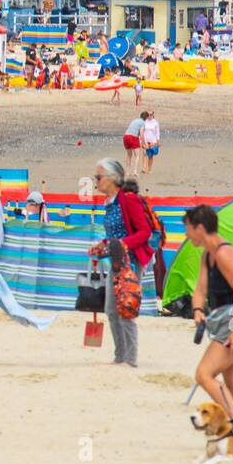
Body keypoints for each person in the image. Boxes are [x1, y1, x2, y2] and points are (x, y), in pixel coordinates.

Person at [185, 204, 233, 427]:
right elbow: (200, 289)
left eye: (188, 228)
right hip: (225, 318)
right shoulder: (207, 257)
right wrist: (198, 310)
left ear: (199, 228)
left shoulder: (225, 254)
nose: (187, 234)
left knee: (204, 375)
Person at [87, 158, 153, 369]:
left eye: (99, 177)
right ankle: (120, 356)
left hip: (131, 264)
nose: (95, 181)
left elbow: (144, 232)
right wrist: (103, 245)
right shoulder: (109, 203)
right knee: (111, 309)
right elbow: (115, 235)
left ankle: (130, 359)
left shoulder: (128, 200)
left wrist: (121, 245)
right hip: (117, 263)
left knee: (126, 308)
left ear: (112, 179)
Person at [141, 110, 161, 174]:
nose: (149, 116)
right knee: (144, 153)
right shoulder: (144, 122)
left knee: (150, 156)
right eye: (148, 114)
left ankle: (149, 169)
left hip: (152, 141)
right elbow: (142, 132)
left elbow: (157, 133)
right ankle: (144, 168)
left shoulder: (155, 123)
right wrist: (142, 141)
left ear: (153, 115)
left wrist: (157, 141)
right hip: (145, 140)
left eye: (151, 114)